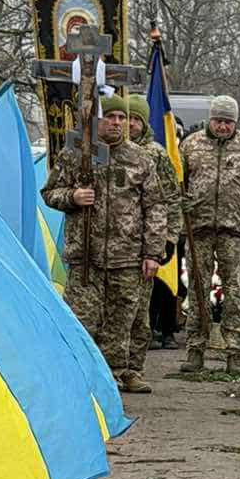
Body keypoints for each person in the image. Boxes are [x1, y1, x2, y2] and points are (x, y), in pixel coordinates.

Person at [42, 93, 166, 389]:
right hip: (86, 255)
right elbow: (49, 192)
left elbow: (156, 206)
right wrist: (72, 197)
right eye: (111, 116)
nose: (117, 122)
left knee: (121, 318)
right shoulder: (75, 151)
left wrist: (153, 252)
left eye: (122, 118)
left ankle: (115, 374)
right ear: (97, 118)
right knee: (83, 318)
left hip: (127, 255)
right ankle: (82, 374)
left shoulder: (140, 158)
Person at [178, 94, 240, 374]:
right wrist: (180, 205)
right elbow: (176, 185)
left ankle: (234, 351)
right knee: (197, 291)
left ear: (235, 123)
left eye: (228, 122)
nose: (223, 127)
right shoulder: (190, 145)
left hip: (235, 231)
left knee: (234, 293)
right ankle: (195, 349)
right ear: (210, 119)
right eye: (219, 121)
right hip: (198, 231)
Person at [122, 94, 179, 394]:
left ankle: (134, 368)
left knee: (139, 311)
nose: (129, 124)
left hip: (146, 243)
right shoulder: (108, 151)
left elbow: (170, 199)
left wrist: (168, 239)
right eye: (125, 117)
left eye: (135, 119)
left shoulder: (155, 154)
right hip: (115, 245)